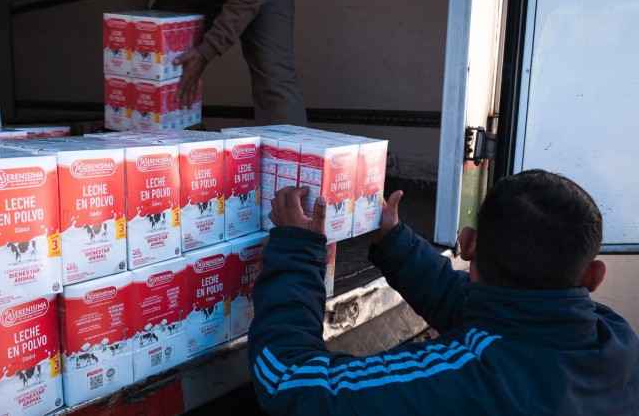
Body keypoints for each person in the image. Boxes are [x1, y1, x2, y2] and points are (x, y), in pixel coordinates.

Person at [248, 169, 639, 415]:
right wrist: (393, 242)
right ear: (593, 277)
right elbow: (481, 310)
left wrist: (297, 253)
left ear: (466, 244)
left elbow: (289, 382)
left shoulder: (463, 378)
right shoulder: (619, 343)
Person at [114, 0, 307, 126]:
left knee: (272, 69)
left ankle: (289, 161)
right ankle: (160, 151)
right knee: (161, 58)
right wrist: (132, 38)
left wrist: (207, 51)